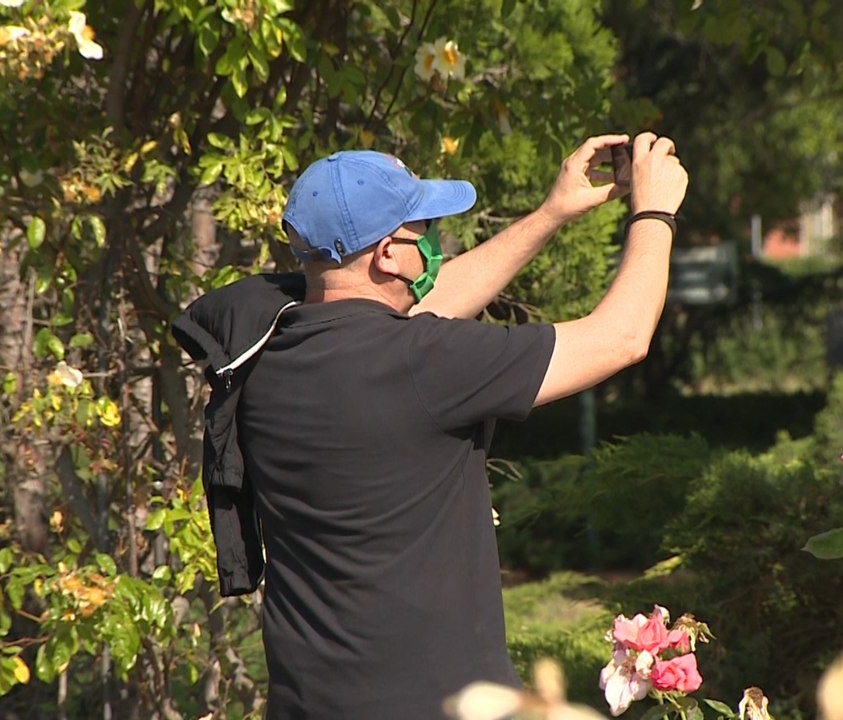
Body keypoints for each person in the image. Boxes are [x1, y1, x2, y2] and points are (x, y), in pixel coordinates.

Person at [175, 132, 687, 719]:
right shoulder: (424, 363)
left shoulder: (261, 349)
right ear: (389, 254)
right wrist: (654, 211)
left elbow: (407, 307)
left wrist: (551, 214)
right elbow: (620, 338)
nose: (434, 243)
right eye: (423, 231)